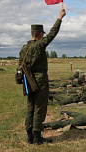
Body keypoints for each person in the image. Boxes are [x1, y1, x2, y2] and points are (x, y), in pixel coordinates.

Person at [19, 8, 66, 145]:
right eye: (42, 34)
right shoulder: (39, 45)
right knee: (39, 107)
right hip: (39, 81)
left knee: (30, 107)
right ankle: (37, 138)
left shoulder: (24, 48)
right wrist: (59, 18)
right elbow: (52, 34)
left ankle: (30, 137)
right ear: (40, 34)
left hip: (28, 81)